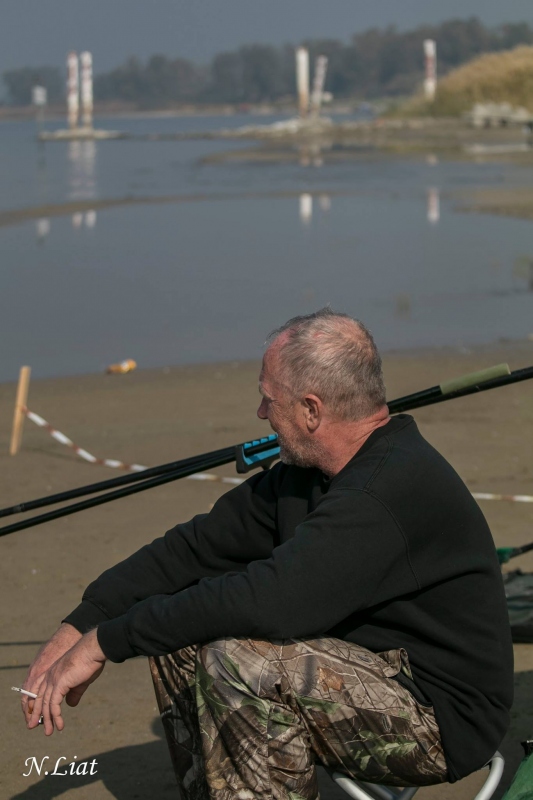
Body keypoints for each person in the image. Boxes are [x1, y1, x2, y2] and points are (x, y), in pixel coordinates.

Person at [22, 309, 513, 799]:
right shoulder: (304, 476)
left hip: (438, 715)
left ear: (311, 410)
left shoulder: (383, 491)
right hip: (367, 664)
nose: (261, 413)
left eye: (268, 398)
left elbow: (275, 602)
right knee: (178, 629)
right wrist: (82, 623)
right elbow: (190, 551)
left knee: (238, 659)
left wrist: (107, 642)